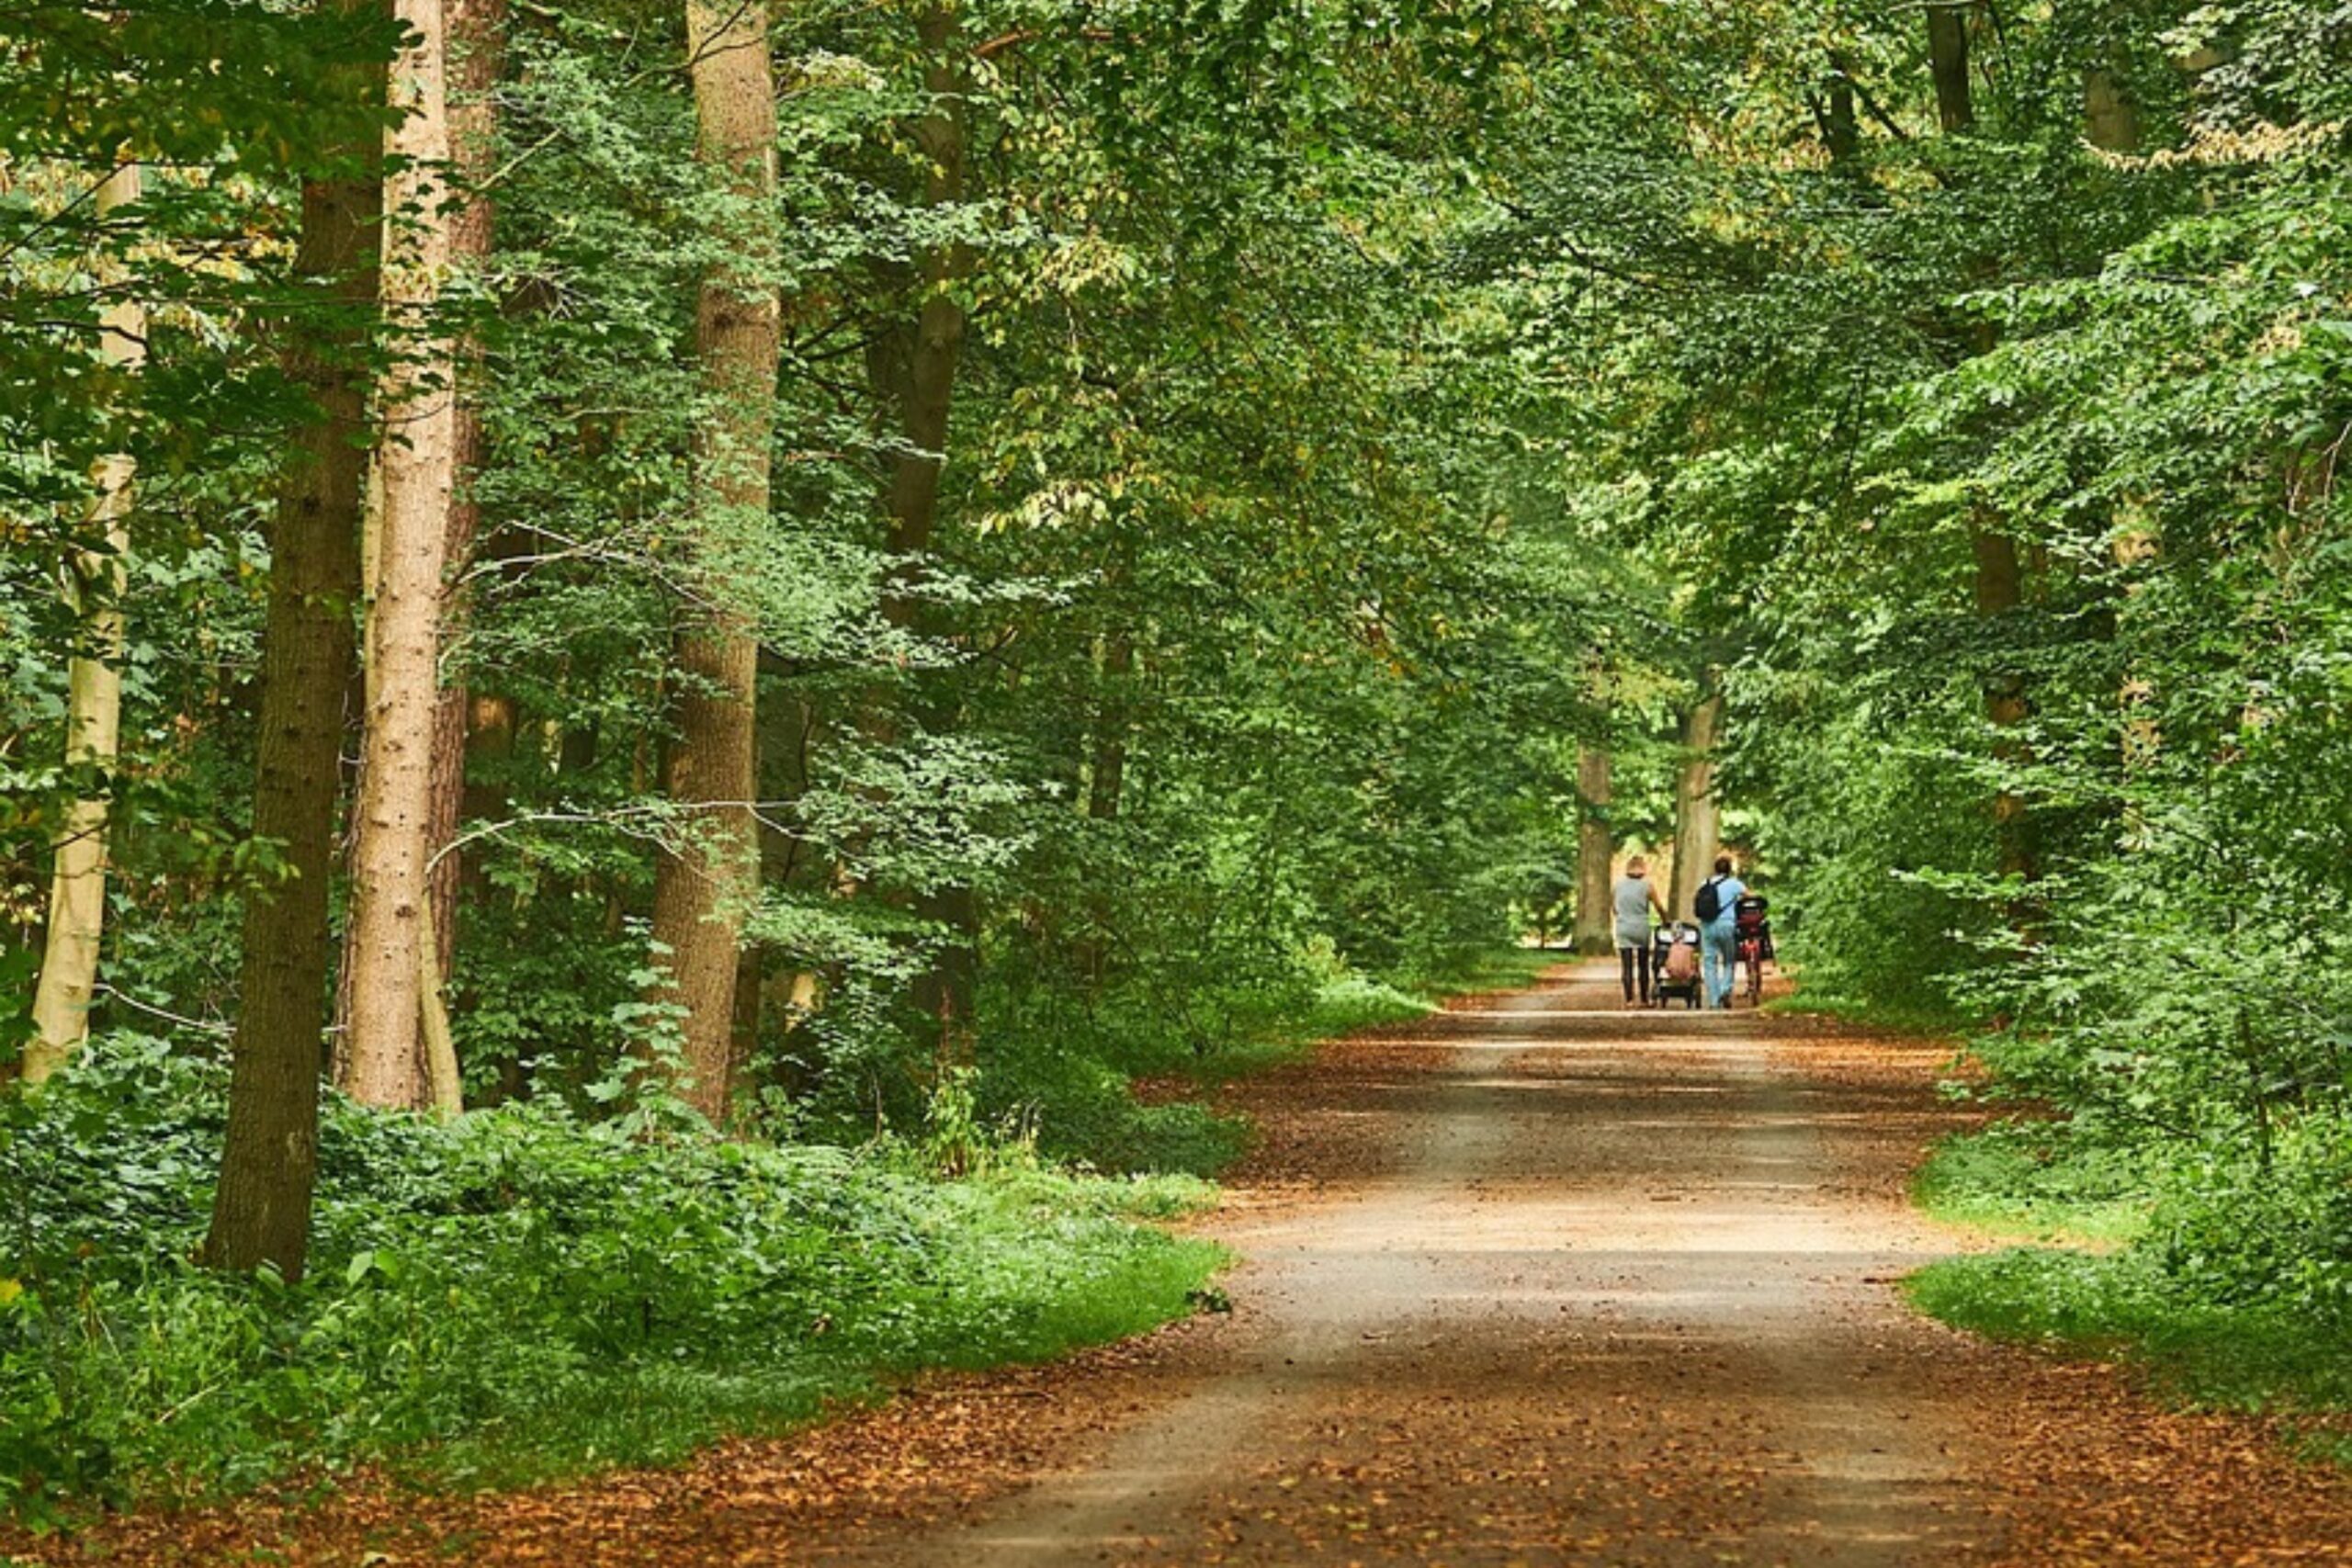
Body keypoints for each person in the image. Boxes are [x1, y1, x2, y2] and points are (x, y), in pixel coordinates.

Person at [1612, 854, 1668, 1008]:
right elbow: (1658, 907)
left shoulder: (1618, 886)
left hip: (1623, 926)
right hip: (1641, 926)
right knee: (1644, 964)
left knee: (1627, 965)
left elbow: (1615, 908)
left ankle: (1629, 999)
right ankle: (1644, 999)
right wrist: (1665, 921)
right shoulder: (1647, 886)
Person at [1696, 853, 1747, 1010]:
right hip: (1727, 925)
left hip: (1707, 926)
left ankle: (1714, 1000)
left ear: (1715, 869)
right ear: (1729, 870)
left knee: (1709, 963)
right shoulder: (1735, 884)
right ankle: (1725, 989)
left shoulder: (1705, 883)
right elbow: (1749, 896)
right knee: (1729, 960)